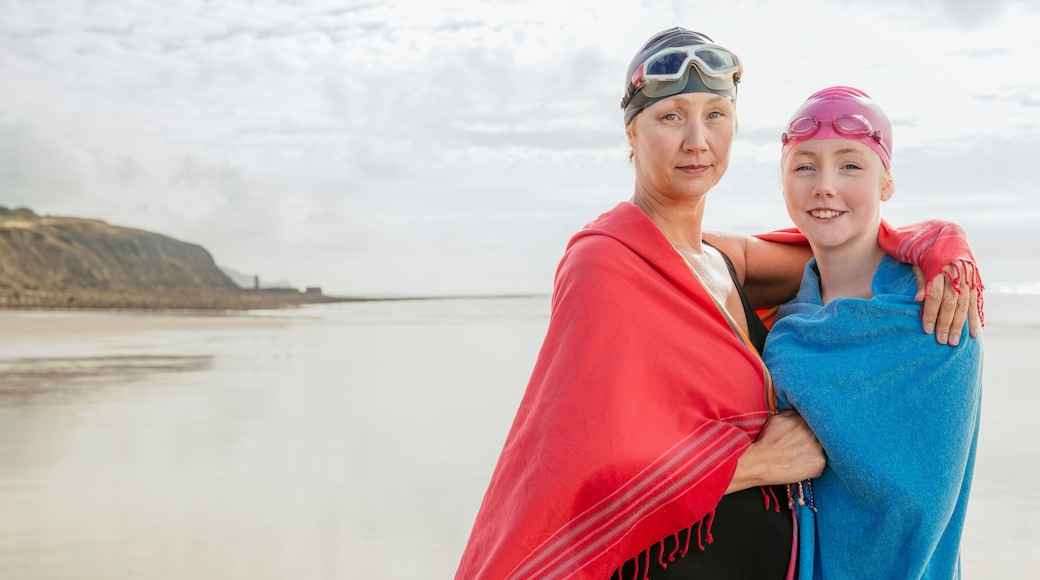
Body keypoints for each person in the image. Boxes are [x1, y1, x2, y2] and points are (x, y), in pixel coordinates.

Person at [455, 28, 982, 579]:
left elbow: (843, 243)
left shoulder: (723, 259)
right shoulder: (606, 265)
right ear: (631, 133)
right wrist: (749, 466)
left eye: (715, 114)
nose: (696, 141)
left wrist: (939, 239)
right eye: (670, 116)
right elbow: (576, 474)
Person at [762, 86, 983, 579]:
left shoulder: (934, 304)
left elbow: (915, 498)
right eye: (803, 166)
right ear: (782, 184)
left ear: (886, 183)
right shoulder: (782, 316)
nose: (824, 185)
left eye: (851, 166)